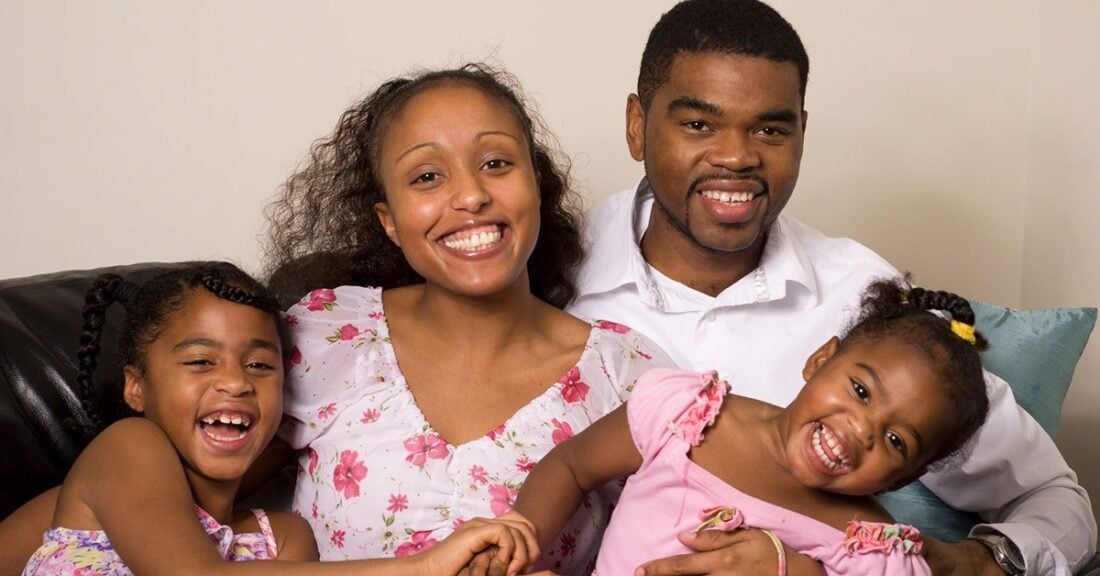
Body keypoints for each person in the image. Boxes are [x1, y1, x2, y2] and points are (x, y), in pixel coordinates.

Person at [0, 64, 673, 576]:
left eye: (497, 163)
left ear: (536, 182)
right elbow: (162, 493)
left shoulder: (629, 376)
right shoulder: (327, 337)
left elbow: (683, 535)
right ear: (388, 219)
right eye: (426, 178)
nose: (470, 195)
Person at [567, 0, 1096, 574]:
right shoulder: (551, 270)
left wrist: (959, 562)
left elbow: (1057, 502)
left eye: (771, 129)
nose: (736, 157)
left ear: (801, 134)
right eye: (698, 124)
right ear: (637, 126)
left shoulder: (865, 304)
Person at [21, 262, 540, 576]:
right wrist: (427, 565)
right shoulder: (129, 447)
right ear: (136, 386)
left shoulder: (284, 541)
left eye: (260, 365)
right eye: (201, 361)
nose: (236, 381)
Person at [508, 280, 990, 575]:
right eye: (861, 391)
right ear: (821, 359)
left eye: (895, 441)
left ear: (902, 479)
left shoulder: (871, 547)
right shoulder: (686, 415)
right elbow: (571, 467)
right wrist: (515, 548)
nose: (861, 430)